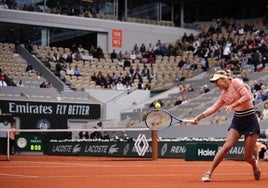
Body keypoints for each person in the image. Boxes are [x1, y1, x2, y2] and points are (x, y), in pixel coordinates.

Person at [191, 69, 261, 182]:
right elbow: (213, 108)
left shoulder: (236, 82)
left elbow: (247, 96)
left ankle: (254, 165)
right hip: (237, 121)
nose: (216, 85)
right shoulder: (223, 94)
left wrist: (233, 105)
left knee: (247, 157)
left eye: (217, 82)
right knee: (226, 146)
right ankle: (209, 173)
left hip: (250, 121)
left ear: (223, 79)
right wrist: (198, 118)